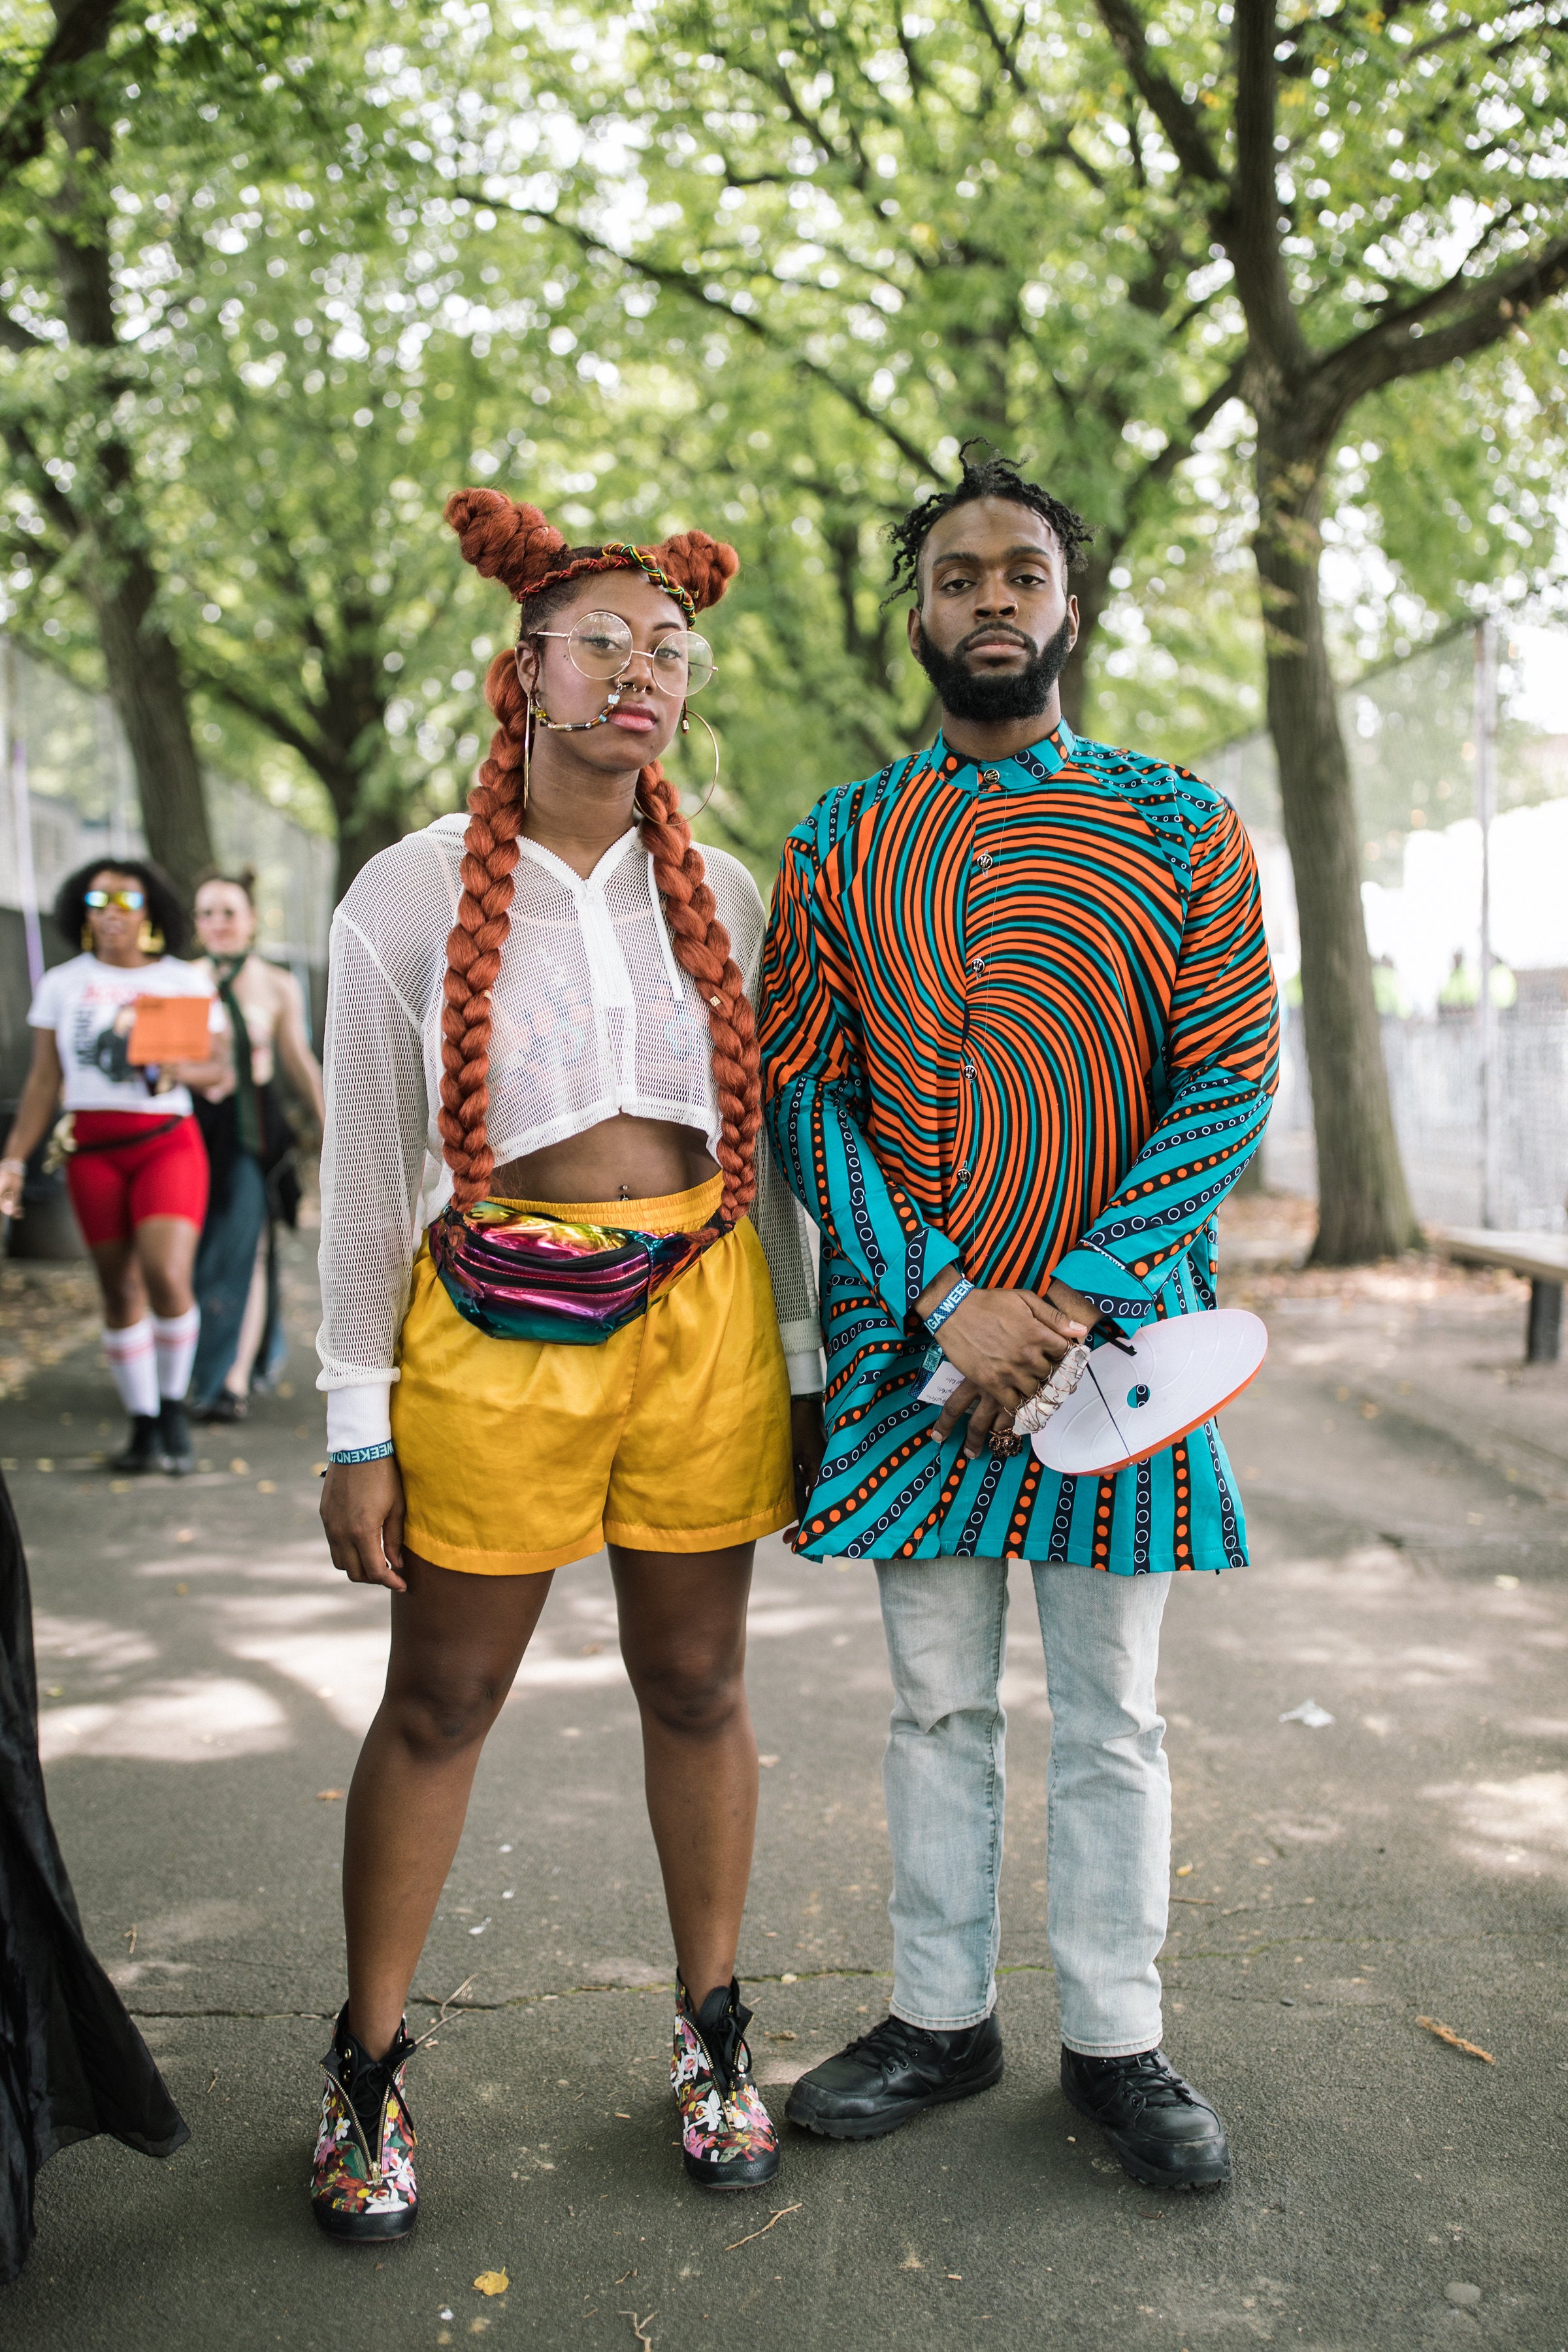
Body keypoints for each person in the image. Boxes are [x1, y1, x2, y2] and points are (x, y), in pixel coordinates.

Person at [758, 451, 1279, 2190]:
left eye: (1023, 573)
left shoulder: (1184, 822)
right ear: (917, 616)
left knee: (1115, 1713)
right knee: (933, 1710)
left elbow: (1229, 1080)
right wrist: (941, 1299)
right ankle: (937, 2019)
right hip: (919, 1360)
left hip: (1116, 1359)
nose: (992, 597)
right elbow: (805, 1091)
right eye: (960, 575)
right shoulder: (839, 839)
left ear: (1068, 608)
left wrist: (1057, 1306)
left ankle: (1119, 2044)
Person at [310, 489, 823, 2240]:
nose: (639, 671)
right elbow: (368, 1179)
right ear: (518, 667)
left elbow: (781, 1151)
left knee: (697, 1689)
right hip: (493, 1323)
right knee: (441, 1700)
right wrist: (350, 1421)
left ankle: (714, 2037)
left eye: (667, 647)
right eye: (601, 638)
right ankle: (365, 2074)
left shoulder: (730, 894)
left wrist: (808, 1358)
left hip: (702, 1315)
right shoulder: (401, 897)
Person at [0, 861, 229, 1476]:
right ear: (83, 909)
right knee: (119, 1288)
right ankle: (144, 1424)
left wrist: (182, 1069)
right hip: (92, 1150)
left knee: (164, 1273)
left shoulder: (183, 981)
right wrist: (14, 1161)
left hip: (166, 1142)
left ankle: (175, 1410)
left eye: (127, 899)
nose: (112, 910)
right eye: (99, 899)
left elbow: (220, 1070)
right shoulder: (63, 983)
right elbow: (45, 1080)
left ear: (149, 910)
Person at [188, 869, 325, 1421]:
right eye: (207, 913)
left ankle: (232, 1381)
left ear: (250, 920)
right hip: (190, 1130)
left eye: (228, 912)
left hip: (251, 1133)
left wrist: (332, 1126)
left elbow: (297, 1061)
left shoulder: (276, 985)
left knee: (247, 1250)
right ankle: (195, 1366)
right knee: (195, 1254)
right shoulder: (178, 981)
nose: (218, 924)